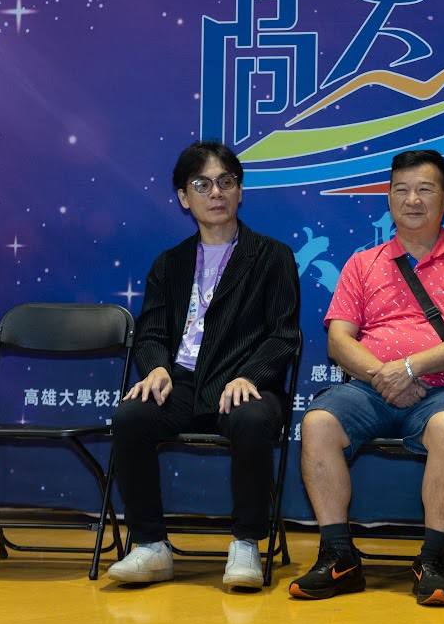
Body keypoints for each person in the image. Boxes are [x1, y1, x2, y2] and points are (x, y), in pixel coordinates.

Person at [290, 149, 444, 607]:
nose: (413, 200)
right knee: (319, 422)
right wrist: (383, 376)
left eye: (425, 190)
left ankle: (433, 560)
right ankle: (339, 556)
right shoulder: (362, 263)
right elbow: (339, 340)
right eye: (401, 190)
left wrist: (410, 368)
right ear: (388, 199)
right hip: (369, 389)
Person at [106, 141, 302, 589]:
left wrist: (249, 376)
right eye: (202, 184)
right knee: (131, 416)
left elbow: (283, 335)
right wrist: (156, 368)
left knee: (251, 419)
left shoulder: (272, 257)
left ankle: (246, 543)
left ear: (240, 191)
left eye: (226, 182)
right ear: (183, 197)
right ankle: (151, 546)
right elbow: (151, 333)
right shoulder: (170, 263)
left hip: (245, 383)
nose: (216, 192)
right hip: (182, 383)